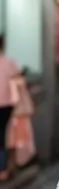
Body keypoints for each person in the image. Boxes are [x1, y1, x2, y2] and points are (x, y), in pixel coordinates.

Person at [0, 34, 21, 181]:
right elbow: (19, 82)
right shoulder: (8, 62)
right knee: (2, 135)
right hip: (6, 105)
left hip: (6, 104)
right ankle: (2, 169)